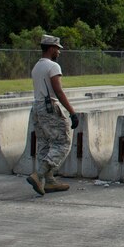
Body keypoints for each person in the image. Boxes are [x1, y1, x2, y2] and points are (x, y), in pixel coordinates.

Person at [27, 34, 79, 196]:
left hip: (37, 108)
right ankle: (39, 174)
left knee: (44, 143)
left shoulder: (36, 66)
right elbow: (58, 90)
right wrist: (72, 112)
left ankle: (49, 182)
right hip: (50, 107)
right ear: (51, 48)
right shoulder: (53, 66)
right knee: (63, 142)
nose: (59, 52)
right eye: (57, 48)